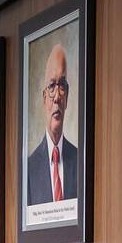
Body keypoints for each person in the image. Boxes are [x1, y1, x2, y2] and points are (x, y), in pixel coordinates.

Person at [27, 43, 78, 205]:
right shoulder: (28, 169)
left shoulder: (80, 161)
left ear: (67, 97)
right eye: (51, 86)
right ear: (44, 99)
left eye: (62, 85)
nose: (56, 96)